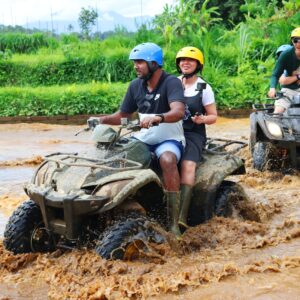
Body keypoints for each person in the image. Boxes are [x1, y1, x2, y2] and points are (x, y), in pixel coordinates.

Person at [92, 42, 185, 236]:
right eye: (134, 62)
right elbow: (122, 115)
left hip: (168, 140)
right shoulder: (136, 85)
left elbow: (178, 111)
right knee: (116, 156)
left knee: (167, 160)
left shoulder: (171, 83)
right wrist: (101, 119)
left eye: (140, 62)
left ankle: (173, 222)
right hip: (142, 139)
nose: (136, 66)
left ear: (154, 63)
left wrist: (159, 117)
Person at [175, 46, 217, 229]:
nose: (185, 63)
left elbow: (214, 116)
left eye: (190, 61)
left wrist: (202, 119)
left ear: (198, 65)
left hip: (193, 133)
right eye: (182, 60)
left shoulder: (204, 87)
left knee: (188, 165)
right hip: (171, 130)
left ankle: (181, 216)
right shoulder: (172, 83)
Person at [268, 27, 300, 113]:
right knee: (278, 112)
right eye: (295, 40)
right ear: (292, 42)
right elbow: (276, 75)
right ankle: (275, 122)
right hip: (290, 90)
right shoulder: (286, 55)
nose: (298, 43)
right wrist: (272, 88)